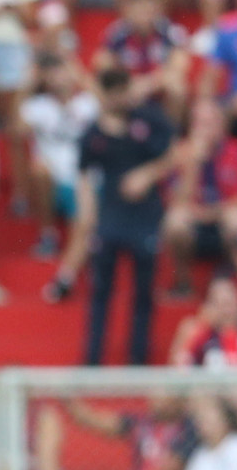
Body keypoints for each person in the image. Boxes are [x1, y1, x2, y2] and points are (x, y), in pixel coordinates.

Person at [63, 66, 175, 366]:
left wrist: (147, 174)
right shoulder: (92, 133)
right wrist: (87, 219)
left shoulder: (149, 119)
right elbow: (84, 175)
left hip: (145, 217)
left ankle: (138, 360)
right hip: (110, 219)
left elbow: (175, 151)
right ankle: (92, 360)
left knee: (143, 294)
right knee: (100, 293)